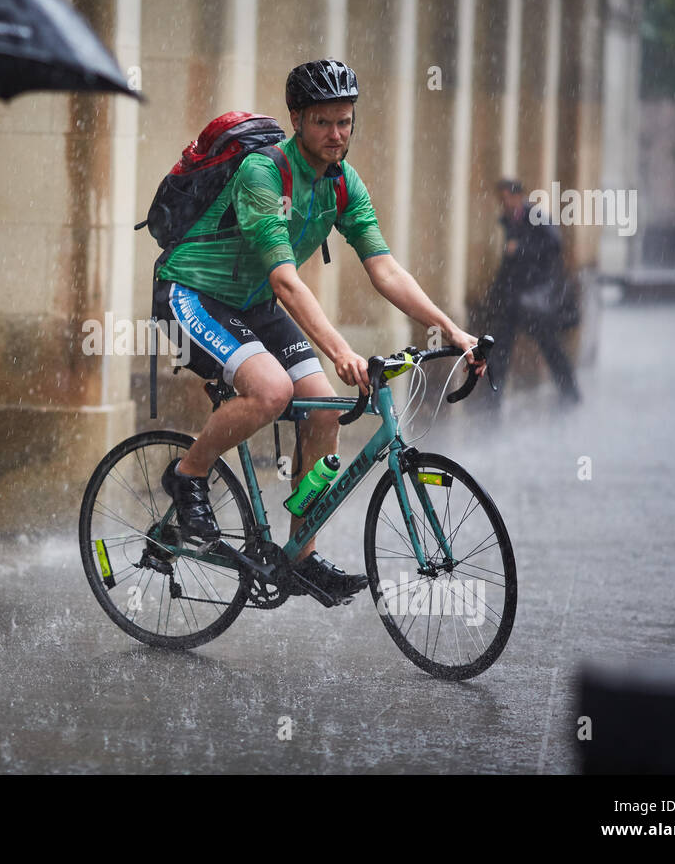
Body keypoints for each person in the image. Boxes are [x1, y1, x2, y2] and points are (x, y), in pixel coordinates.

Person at [152, 59, 485, 604]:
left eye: (346, 122)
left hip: (253, 302)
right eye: (324, 122)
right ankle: (188, 474)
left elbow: (384, 268)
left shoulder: (342, 183)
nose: (337, 134)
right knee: (271, 390)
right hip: (191, 293)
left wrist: (450, 330)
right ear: (297, 120)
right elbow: (286, 279)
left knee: (324, 408)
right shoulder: (263, 173)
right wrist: (340, 350)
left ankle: (298, 556)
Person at [483, 179, 580, 404]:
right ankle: (492, 399)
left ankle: (570, 392)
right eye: (501, 199)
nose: (504, 203)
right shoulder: (509, 221)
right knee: (500, 348)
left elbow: (555, 244)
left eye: (506, 198)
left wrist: (522, 249)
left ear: (519, 197)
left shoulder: (534, 216)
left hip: (534, 298)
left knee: (550, 345)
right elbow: (508, 263)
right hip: (512, 298)